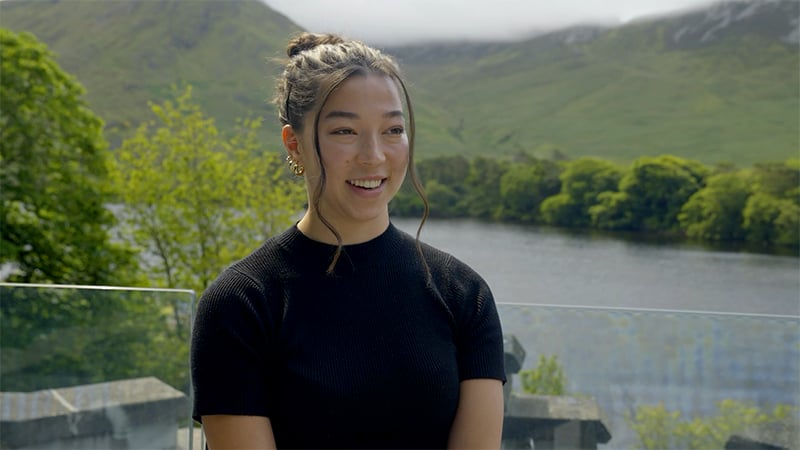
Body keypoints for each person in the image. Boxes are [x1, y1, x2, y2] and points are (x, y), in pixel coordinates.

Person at [190, 32, 507, 449]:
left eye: (393, 130)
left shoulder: (465, 295)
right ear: (295, 145)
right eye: (344, 131)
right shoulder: (242, 303)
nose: (373, 155)